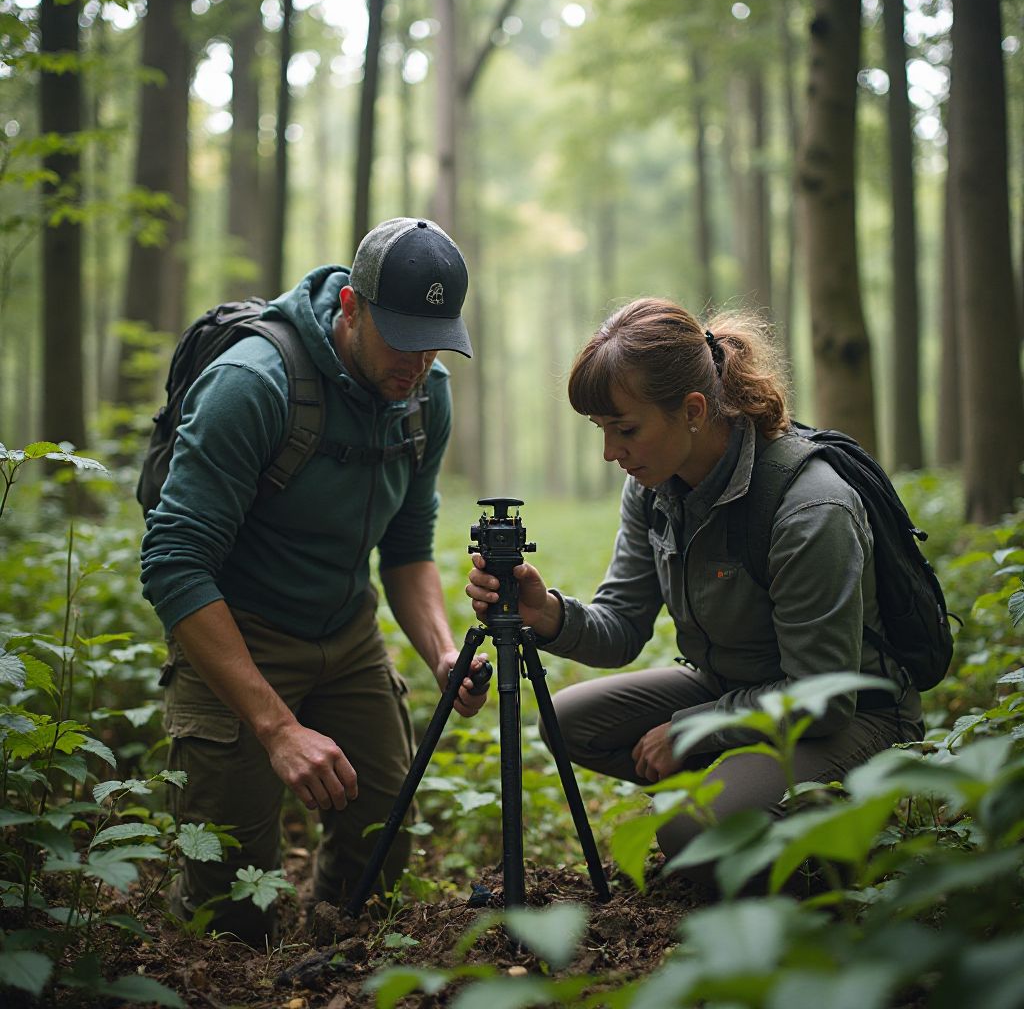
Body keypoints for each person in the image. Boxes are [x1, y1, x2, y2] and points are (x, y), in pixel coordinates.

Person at [466, 296, 923, 892]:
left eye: (625, 429)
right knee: (570, 721)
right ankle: (749, 797)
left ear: (693, 410)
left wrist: (694, 729)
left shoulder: (808, 509)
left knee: (689, 835)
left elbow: (821, 700)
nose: (611, 453)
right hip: (735, 686)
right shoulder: (656, 488)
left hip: (855, 717)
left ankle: (826, 832)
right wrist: (546, 613)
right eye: (601, 431)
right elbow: (622, 628)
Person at [141, 217, 489, 944]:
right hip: (238, 633)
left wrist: (442, 652)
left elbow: (408, 545)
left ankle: (331, 954)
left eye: (434, 342)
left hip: (347, 633)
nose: (418, 363)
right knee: (230, 913)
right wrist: (277, 728)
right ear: (351, 309)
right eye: (400, 337)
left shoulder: (427, 395)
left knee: (381, 859)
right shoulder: (252, 385)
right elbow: (175, 562)